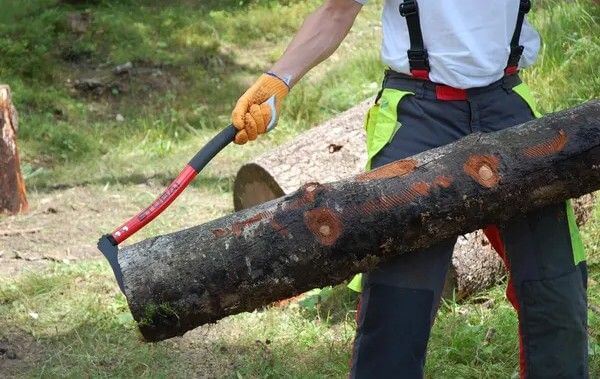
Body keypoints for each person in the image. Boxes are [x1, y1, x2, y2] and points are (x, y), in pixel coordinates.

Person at [230, 0, 589, 377]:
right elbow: (339, 9)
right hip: (418, 114)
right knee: (397, 305)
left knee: (557, 290)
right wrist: (278, 80)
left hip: (509, 107)